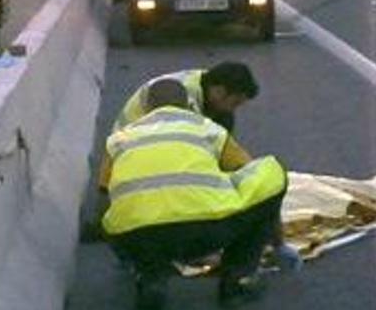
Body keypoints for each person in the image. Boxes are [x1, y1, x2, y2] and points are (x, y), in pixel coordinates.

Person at [99, 82, 298, 309]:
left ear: (146, 107)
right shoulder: (207, 128)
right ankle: (237, 284)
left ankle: (151, 278)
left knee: (131, 221)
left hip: (136, 238)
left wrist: (128, 255)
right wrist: (278, 243)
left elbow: (103, 202)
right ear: (188, 104)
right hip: (205, 232)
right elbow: (252, 179)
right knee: (270, 174)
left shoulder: (120, 139)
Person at [111, 61, 259, 135]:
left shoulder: (206, 81)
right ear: (219, 91)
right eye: (234, 103)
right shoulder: (182, 99)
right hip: (128, 144)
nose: (233, 109)